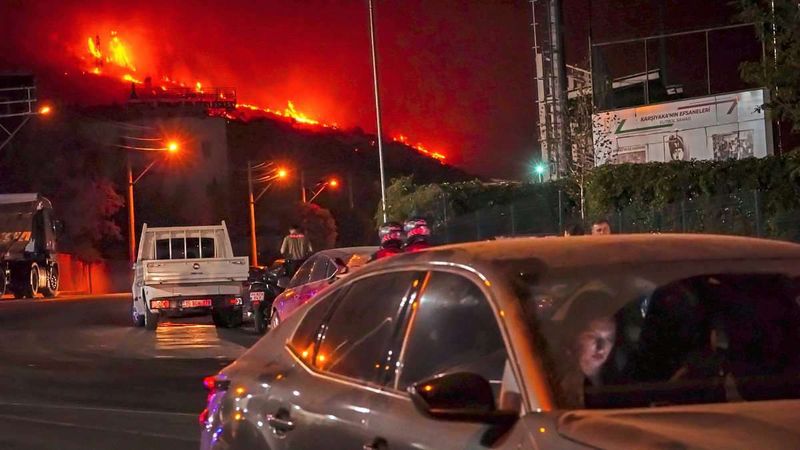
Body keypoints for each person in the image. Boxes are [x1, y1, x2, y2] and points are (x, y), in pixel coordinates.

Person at [557, 292, 617, 407]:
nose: (600, 347)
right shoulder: (558, 387)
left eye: (609, 339)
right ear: (575, 337)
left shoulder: (621, 382)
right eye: (592, 336)